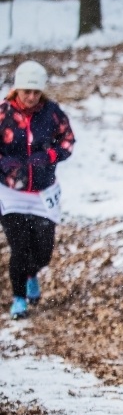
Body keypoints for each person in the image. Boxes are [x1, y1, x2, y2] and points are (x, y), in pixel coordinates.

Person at [0, 60, 75, 320]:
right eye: (26, 92)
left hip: (44, 192)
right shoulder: (3, 113)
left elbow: (67, 140)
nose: (31, 97)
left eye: (36, 92)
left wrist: (51, 154)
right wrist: (3, 162)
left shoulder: (52, 113)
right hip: (11, 193)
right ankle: (19, 298)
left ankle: (33, 273)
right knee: (19, 248)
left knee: (43, 250)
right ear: (16, 90)